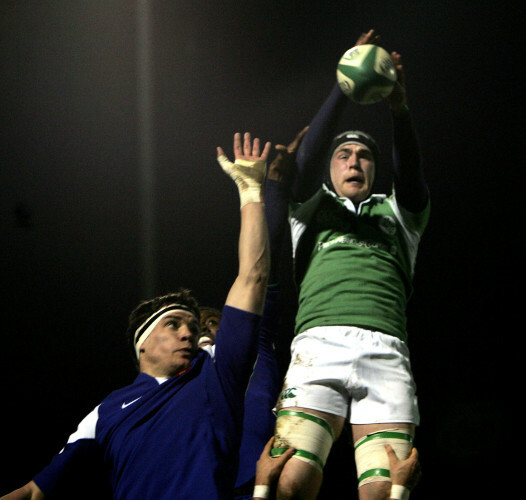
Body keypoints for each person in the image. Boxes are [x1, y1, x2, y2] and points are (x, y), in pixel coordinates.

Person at [1, 132, 271, 500]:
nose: (188, 334)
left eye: (192, 327)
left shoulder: (215, 371)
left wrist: (251, 194)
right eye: (173, 324)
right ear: (142, 343)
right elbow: (35, 491)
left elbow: (251, 276)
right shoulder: (104, 413)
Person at [270, 29, 430, 500]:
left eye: (364, 155)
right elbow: (304, 160)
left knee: (382, 491)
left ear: (376, 170)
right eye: (344, 154)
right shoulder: (310, 210)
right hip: (317, 349)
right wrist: (342, 90)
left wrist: (399, 108)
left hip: (386, 353)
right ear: (331, 168)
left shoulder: (399, 214)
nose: (354, 161)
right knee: (290, 483)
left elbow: (413, 175)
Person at [199, 129, 308, 500]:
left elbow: (264, 270)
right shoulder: (178, 382)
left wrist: (273, 185)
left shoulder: (249, 348)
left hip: (257, 480)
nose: (198, 334)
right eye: (192, 327)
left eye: (212, 324)